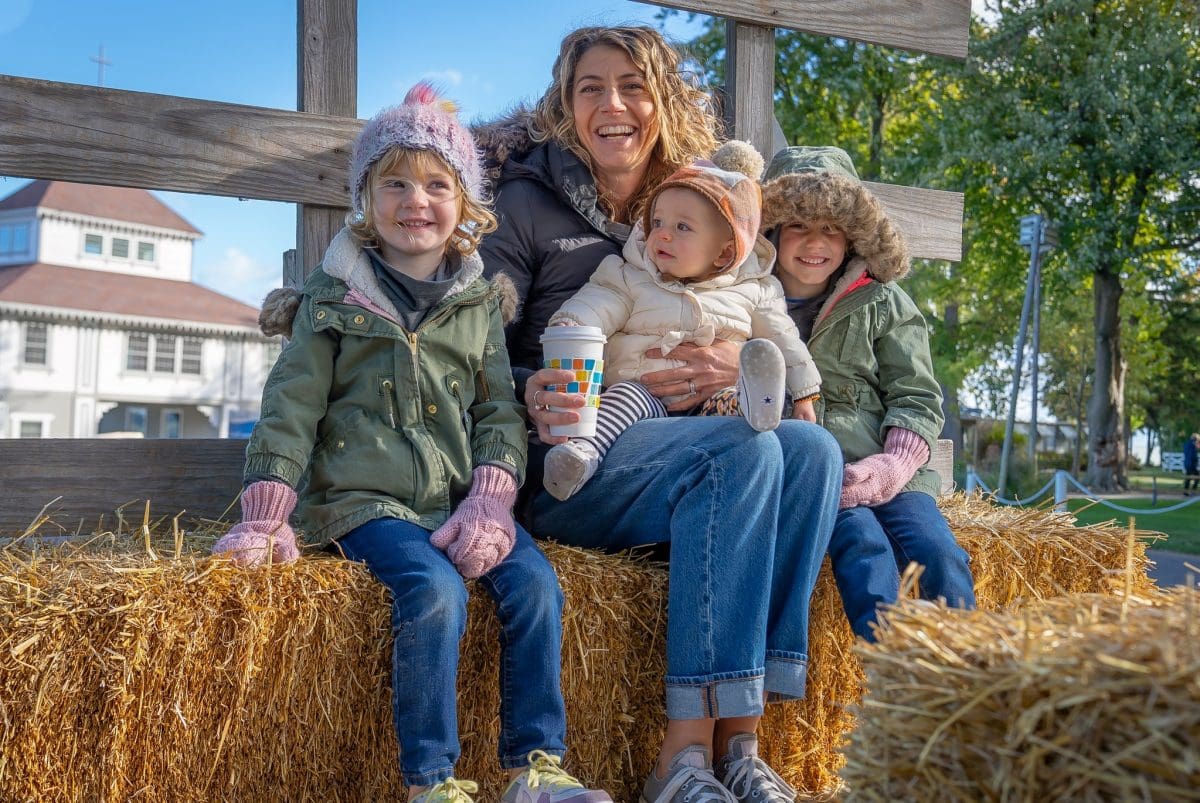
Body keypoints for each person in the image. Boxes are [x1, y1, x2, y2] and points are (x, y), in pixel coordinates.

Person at [211, 84, 612, 803]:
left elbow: (496, 409)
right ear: (365, 197)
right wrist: (267, 509)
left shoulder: (479, 302)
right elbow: (290, 407)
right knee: (433, 591)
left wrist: (493, 499)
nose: (414, 200)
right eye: (393, 182)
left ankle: (535, 767)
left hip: (461, 499)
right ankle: (432, 780)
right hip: (369, 503)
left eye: (436, 184)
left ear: (464, 203)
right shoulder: (332, 301)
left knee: (536, 585)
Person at [477, 25, 842, 803]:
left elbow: (754, 304)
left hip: (690, 440)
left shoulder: (693, 195)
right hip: (578, 456)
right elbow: (468, 343)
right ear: (565, 106)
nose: (614, 104)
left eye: (633, 85)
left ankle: (743, 742)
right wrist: (524, 384)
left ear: (662, 99)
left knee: (811, 452)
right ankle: (680, 761)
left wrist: (729, 358)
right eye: (591, 88)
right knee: (743, 453)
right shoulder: (524, 203)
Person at [759, 145, 976, 642]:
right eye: (798, 225)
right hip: (819, 479)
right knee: (863, 550)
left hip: (891, 472)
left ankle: (970, 672)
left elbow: (917, 395)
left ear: (853, 236)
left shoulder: (883, 300)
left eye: (831, 229)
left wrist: (892, 468)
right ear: (770, 233)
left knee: (938, 552)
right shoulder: (748, 302)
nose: (816, 243)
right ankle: (892, 669)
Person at [541, 140, 821, 500]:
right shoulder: (631, 275)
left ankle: (758, 406)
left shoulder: (755, 290)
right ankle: (580, 455)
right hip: (648, 397)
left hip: (715, 405)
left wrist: (803, 395)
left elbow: (786, 341)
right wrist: (571, 324)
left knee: (733, 400)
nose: (663, 234)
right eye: (657, 222)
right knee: (624, 398)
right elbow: (597, 304)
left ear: (725, 252)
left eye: (683, 227)